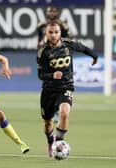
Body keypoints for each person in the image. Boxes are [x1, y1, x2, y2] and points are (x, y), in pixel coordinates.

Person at [36, 21, 98, 157]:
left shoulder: (67, 44)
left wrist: (94, 55)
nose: (53, 35)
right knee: (47, 122)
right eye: (50, 32)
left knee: (64, 113)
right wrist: (52, 75)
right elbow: (40, 74)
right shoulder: (43, 52)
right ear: (46, 33)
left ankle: (58, 143)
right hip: (49, 90)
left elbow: (82, 48)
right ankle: (49, 141)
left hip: (66, 86)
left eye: (56, 32)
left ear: (60, 33)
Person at [37, 6, 72, 123]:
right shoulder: (41, 25)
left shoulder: (63, 25)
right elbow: (39, 40)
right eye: (50, 11)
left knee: (59, 82)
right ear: (46, 12)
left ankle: (58, 109)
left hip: (59, 56)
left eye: (54, 11)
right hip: (46, 57)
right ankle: (51, 108)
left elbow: (69, 39)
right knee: (48, 80)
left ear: (58, 12)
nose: (52, 13)